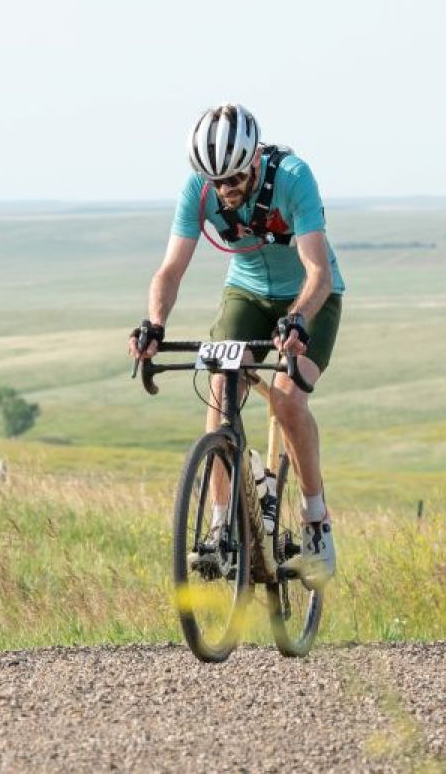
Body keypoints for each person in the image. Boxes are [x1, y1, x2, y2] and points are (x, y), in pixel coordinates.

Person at [128, 103, 345, 588]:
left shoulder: (293, 177)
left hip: (309, 298)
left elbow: (319, 273)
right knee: (221, 387)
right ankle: (220, 526)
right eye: (215, 181)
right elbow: (170, 269)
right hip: (246, 291)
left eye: (233, 178)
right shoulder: (197, 189)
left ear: (253, 161)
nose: (225, 190)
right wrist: (154, 322)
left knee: (289, 400)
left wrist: (298, 319)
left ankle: (315, 523)